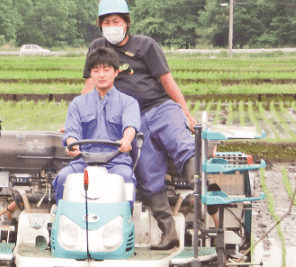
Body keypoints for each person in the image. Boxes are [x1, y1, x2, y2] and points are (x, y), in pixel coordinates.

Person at [81, 0, 197, 250]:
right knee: (147, 174)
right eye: (106, 22)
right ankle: (169, 233)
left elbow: (167, 81)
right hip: (131, 119)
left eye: (116, 21)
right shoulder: (97, 47)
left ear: (126, 23)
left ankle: (205, 193)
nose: (111, 26)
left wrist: (185, 112)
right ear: (100, 25)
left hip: (161, 108)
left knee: (182, 144)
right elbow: (91, 85)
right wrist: (79, 117)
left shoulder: (146, 46)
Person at [52, 47, 140, 204]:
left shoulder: (129, 102)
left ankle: (124, 221)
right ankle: (64, 219)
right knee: (63, 178)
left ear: (116, 72)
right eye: (96, 70)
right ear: (90, 74)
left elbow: (130, 126)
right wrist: (72, 145)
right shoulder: (77, 104)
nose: (101, 75)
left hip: (117, 162)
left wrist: (126, 140)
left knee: (126, 179)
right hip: (83, 162)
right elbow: (72, 133)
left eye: (106, 70)